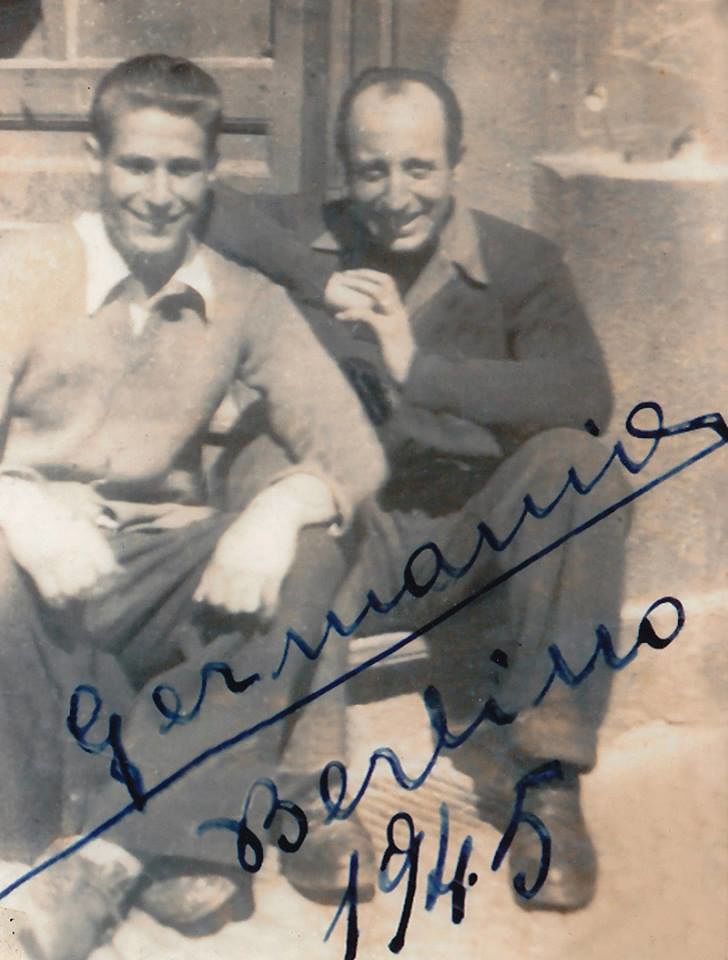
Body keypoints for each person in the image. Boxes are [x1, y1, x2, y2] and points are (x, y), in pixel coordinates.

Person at [204, 66, 631, 912]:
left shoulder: (521, 262)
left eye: (419, 168)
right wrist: (312, 275)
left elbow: (586, 394)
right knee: (276, 468)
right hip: (350, 543)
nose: (397, 196)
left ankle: (547, 782)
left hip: (474, 547)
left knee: (580, 465)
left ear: (457, 162)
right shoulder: (311, 234)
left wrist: (420, 371)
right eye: (372, 170)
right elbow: (201, 201)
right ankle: (312, 798)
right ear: (345, 170)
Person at [0, 54, 388, 956]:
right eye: (136, 165)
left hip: (144, 575)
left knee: (313, 544)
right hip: (27, 580)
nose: (158, 194)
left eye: (182, 169)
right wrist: (18, 507)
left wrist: (275, 513)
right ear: (97, 161)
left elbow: (354, 451)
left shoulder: (242, 299)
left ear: (212, 173)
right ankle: (128, 833)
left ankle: (112, 862)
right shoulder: (25, 271)